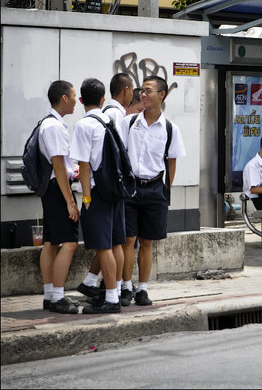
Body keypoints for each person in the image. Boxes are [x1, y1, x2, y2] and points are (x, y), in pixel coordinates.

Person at [119, 75, 186, 306]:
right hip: (131, 187)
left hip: (156, 188)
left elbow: (172, 161)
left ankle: (143, 288)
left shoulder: (170, 128)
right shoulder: (128, 123)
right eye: (142, 91)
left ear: (161, 95)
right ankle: (126, 286)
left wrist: (167, 190)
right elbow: (120, 156)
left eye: (148, 91)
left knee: (147, 241)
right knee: (128, 239)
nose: (143, 95)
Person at [76, 73, 132, 306]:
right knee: (116, 242)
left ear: (80, 100)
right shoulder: (110, 120)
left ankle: (110, 298)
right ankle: (115, 291)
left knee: (103, 246)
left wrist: (86, 196)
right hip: (115, 191)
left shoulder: (84, 125)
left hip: (97, 192)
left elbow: (84, 164)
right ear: (102, 100)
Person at [38, 80, 80, 314]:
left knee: (51, 242)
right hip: (57, 188)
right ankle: (58, 296)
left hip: (53, 187)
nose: (76, 100)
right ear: (64, 98)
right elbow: (57, 164)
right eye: (73, 96)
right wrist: (70, 201)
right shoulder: (53, 126)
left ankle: (49, 295)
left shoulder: (51, 123)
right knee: (70, 242)